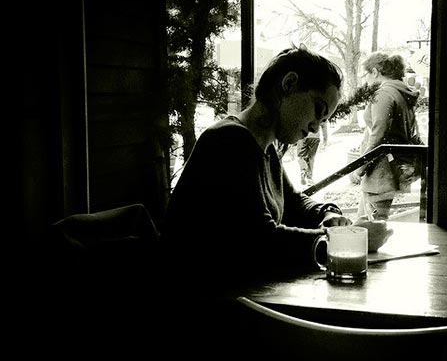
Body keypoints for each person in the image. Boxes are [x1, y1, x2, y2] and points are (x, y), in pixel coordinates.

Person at [161, 45, 392, 297]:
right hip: (202, 302)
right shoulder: (229, 140)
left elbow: (294, 203)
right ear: (289, 84)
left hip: (239, 295)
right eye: (318, 110)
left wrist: (327, 214)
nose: (315, 128)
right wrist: (345, 240)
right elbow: (260, 241)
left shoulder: (264, 148)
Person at [351, 52, 423, 220]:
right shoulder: (400, 91)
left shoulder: (383, 93)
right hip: (388, 169)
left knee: (372, 227)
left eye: (366, 75)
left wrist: (360, 168)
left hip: (380, 173)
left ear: (375, 72)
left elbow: (378, 134)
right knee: (364, 221)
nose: (366, 81)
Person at [297, 121, 327, 186]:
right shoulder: (320, 112)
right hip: (315, 137)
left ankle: (303, 170)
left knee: (301, 156)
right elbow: (324, 124)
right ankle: (309, 179)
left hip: (303, 136)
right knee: (311, 158)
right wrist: (325, 139)